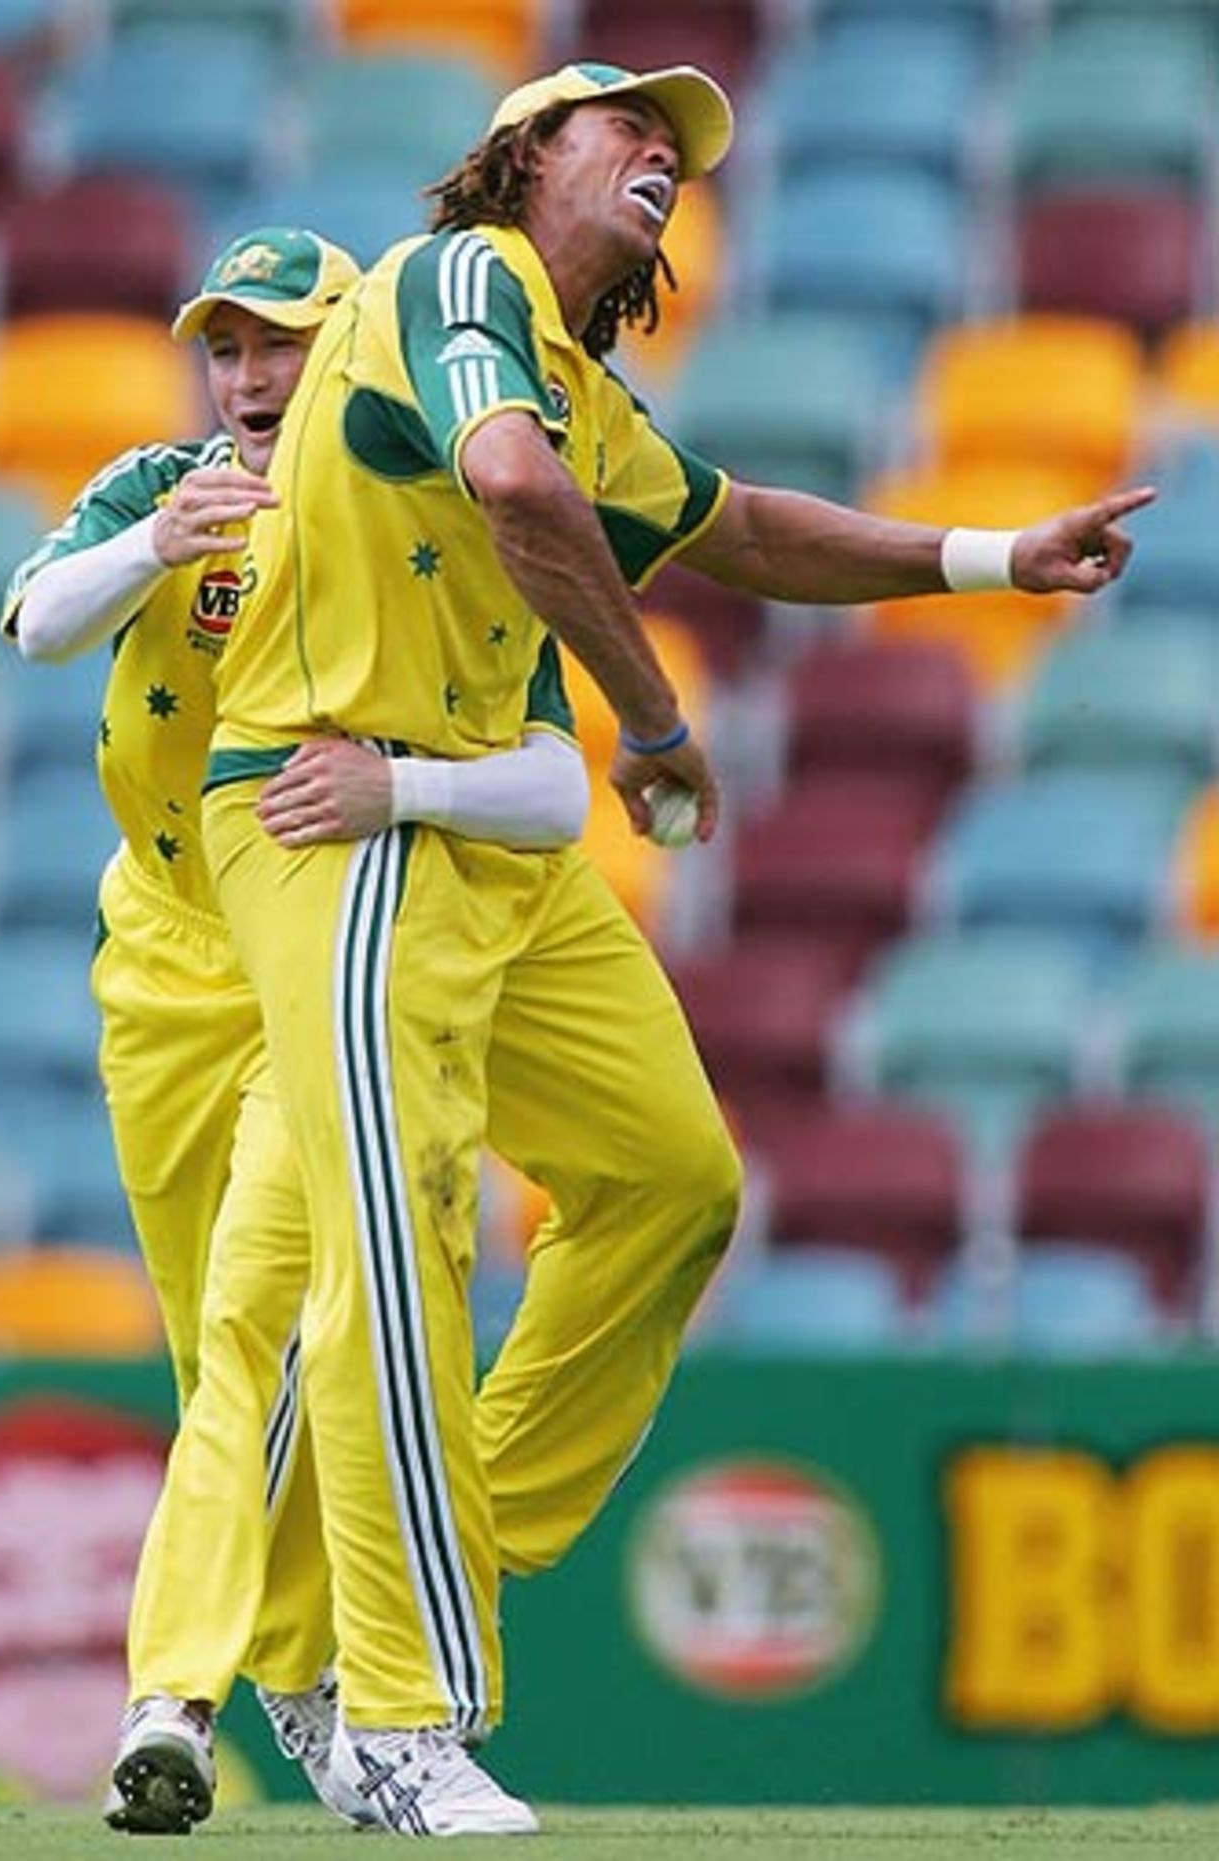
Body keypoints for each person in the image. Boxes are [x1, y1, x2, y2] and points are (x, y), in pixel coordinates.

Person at [198, 62, 1153, 1837]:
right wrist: (652, 719)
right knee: (398, 1240)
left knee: (670, 1177)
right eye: (621, 123)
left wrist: (993, 553)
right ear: (521, 157)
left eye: (681, 145)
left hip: (481, 829)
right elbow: (510, 487)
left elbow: (740, 526)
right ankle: (396, 1708)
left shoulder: (573, 383)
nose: (661, 150)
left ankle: (407, 1556)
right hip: (344, 811)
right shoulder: (457, 277)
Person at [0, 226, 589, 1834]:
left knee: (266, 1319)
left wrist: (406, 785)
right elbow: (36, 619)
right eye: (227, 347)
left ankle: (177, 1698)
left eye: (283, 343)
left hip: (323, 953)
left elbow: (559, 778)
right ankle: (295, 1668)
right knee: (218, 1351)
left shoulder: (415, 518)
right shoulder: (161, 483)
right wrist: (159, 542)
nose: (250, 378)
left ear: (348, 354)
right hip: (161, 961)